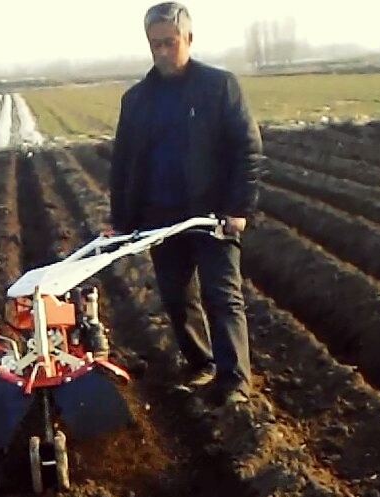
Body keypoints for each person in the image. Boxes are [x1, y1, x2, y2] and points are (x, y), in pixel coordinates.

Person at [107, 2, 264, 407]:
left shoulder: (218, 86)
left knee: (222, 296)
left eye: (169, 42)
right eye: (154, 43)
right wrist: (122, 220)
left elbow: (247, 149)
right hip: (162, 218)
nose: (161, 51)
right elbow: (124, 164)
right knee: (177, 299)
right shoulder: (137, 100)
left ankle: (235, 382)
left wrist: (239, 209)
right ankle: (201, 364)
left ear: (188, 39)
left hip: (211, 215)